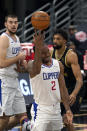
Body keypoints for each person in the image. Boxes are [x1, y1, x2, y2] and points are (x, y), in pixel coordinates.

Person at [23, 31, 73, 131]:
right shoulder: (31, 65)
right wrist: (37, 46)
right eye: (43, 53)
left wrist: (67, 109)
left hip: (56, 108)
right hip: (41, 109)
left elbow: (62, 88)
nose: (46, 55)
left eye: (47, 52)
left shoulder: (58, 64)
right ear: (37, 54)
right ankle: (27, 126)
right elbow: (37, 70)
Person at [0, 14, 28, 131]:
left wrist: (22, 64)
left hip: (14, 80)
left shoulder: (17, 38)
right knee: (5, 117)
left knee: (20, 116)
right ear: (5, 24)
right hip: (4, 81)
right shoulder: (4, 38)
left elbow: (16, 60)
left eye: (16, 22)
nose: (13, 25)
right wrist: (18, 58)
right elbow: (1, 63)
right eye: (10, 22)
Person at [52, 28, 83, 131]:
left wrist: (74, 94)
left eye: (58, 39)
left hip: (72, 90)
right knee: (52, 121)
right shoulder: (51, 53)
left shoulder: (71, 55)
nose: (55, 41)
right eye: (54, 39)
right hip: (58, 91)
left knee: (67, 120)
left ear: (64, 41)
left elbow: (79, 79)